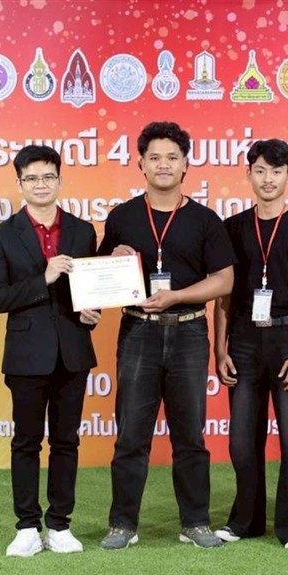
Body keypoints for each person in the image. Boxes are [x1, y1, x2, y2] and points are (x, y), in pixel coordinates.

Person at [97, 121, 235, 550]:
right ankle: (122, 524)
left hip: (189, 331)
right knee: (131, 434)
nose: (163, 164)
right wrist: (113, 257)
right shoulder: (122, 217)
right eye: (154, 157)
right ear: (140, 164)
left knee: (190, 435)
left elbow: (225, 280)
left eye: (172, 157)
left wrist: (176, 296)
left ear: (185, 165)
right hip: (138, 330)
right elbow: (98, 277)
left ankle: (195, 522)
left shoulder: (205, 220)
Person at [0, 144, 101, 557]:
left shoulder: (82, 231)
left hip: (73, 351)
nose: (40, 184)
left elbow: (91, 289)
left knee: (67, 441)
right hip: (26, 354)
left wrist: (92, 311)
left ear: (60, 181)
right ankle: (28, 526)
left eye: (48, 176)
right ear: (20, 184)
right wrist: (43, 278)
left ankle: (61, 524)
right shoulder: (3, 235)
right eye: (31, 178)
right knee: (26, 442)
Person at [214, 139, 288, 550]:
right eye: (260, 170)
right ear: (249, 173)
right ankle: (245, 521)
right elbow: (224, 295)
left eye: (276, 172)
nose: (268, 179)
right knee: (242, 442)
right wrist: (220, 348)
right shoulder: (233, 228)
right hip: (244, 339)